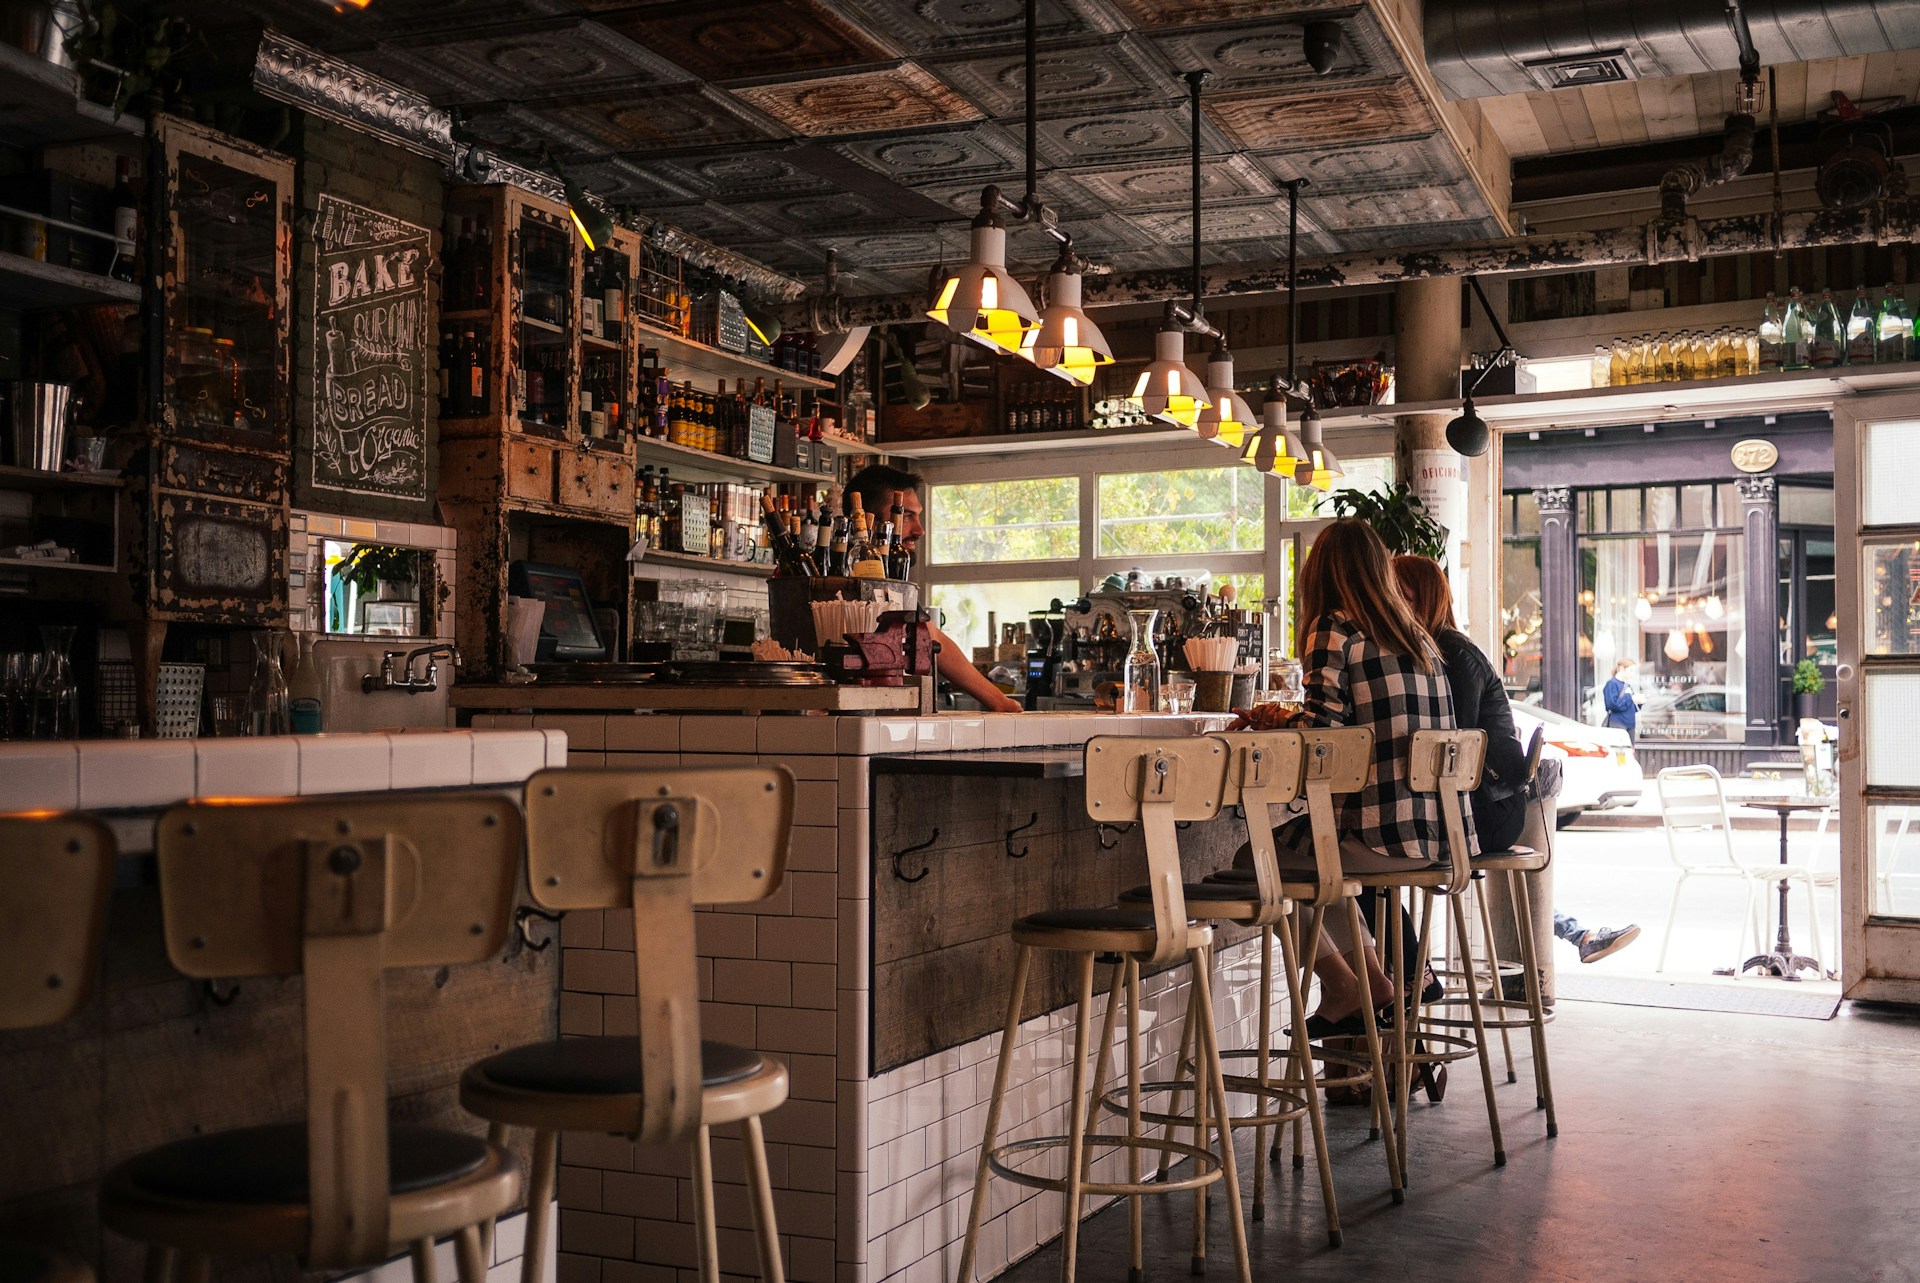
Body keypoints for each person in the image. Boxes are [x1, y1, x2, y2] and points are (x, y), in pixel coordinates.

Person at [1244, 519, 1462, 1033]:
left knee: (1256, 858)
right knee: (1320, 865)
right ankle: (1368, 984)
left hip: (1382, 838)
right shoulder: (1422, 641)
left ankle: (1345, 986)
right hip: (1440, 840)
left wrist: (1270, 718)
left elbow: (1321, 737)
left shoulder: (1333, 629)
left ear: (1320, 573)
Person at [1391, 555, 1641, 970]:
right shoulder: (1443, 650)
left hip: (1488, 810)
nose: (1393, 603)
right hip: (1486, 806)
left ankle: (1405, 977)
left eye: (1401, 594)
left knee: (1373, 853)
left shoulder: (1452, 655)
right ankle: (1580, 934)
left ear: (1424, 598)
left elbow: (1457, 750)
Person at [842, 464, 1022, 714]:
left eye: (918, 516)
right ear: (865, 519)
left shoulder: (890, 582)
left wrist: (1000, 702)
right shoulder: (836, 576)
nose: (920, 530)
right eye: (906, 516)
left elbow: (931, 637)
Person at [1602, 659, 1640, 738]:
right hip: (1617, 723)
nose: (1633, 674)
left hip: (1630, 723)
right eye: (1631, 670)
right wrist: (1631, 698)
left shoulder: (1627, 685)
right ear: (1622, 669)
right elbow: (1612, 705)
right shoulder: (1612, 684)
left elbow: (1631, 706)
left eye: (1634, 671)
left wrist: (1639, 702)